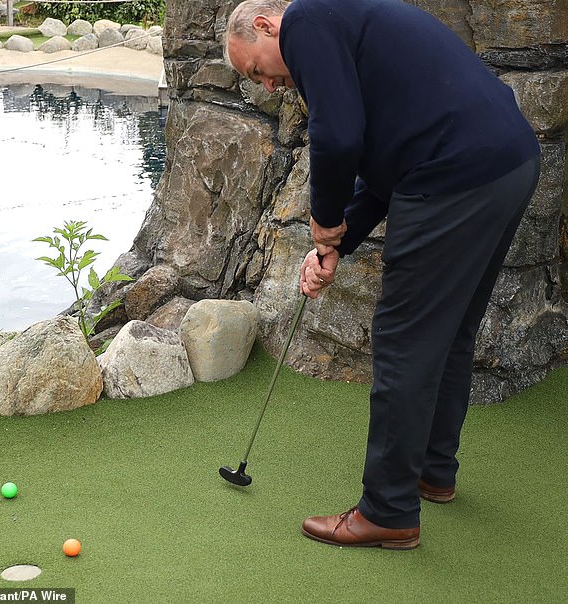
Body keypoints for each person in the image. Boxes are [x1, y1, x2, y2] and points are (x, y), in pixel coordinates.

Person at [225, 0, 540, 549]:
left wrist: (323, 222)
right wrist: (335, 243)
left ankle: (389, 512)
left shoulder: (307, 23)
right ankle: (433, 472)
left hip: (453, 175)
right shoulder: (344, 31)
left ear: (265, 26)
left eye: (257, 70)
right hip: (506, 163)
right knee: (452, 331)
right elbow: (380, 169)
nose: (269, 87)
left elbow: (339, 138)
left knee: (403, 342)